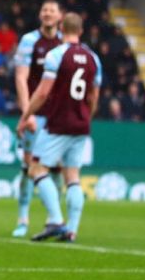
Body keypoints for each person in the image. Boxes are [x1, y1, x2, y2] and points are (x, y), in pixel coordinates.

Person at [17, 13, 101, 243]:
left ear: (62, 28)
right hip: (81, 124)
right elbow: (93, 96)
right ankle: (71, 230)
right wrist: (86, 116)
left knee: (36, 168)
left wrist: (26, 115)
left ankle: (55, 220)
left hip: (58, 122)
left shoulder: (56, 55)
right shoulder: (93, 58)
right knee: (72, 175)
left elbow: (43, 92)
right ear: (81, 31)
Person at [11, 0, 62, 237]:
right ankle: (23, 219)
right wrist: (26, 113)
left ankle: (56, 217)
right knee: (28, 167)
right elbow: (21, 78)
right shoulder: (30, 41)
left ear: (60, 16)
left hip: (58, 117)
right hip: (36, 115)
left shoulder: (65, 43)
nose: (47, 14)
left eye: (52, 10)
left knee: (57, 169)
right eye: (44, 10)